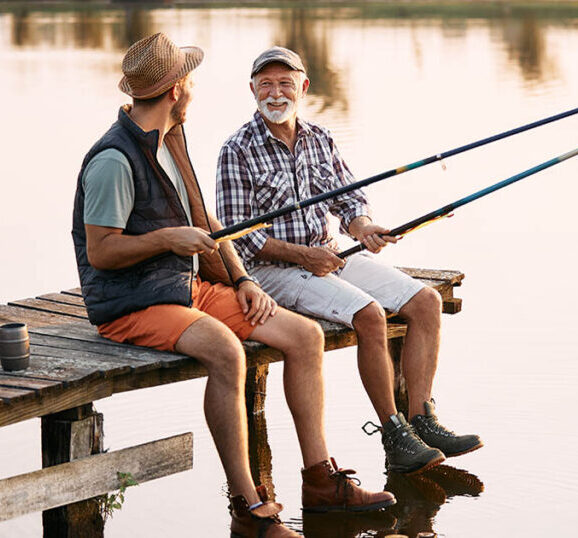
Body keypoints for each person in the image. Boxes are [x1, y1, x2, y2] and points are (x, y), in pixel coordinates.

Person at [71, 34, 394, 538]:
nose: (195, 88)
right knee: (228, 352)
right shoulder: (114, 159)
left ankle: (320, 482)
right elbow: (101, 251)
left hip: (182, 289)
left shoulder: (169, 141)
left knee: (304, 337)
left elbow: (208, 223)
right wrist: (167, 238)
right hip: (130, 303)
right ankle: (249, 509)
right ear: (176, 89)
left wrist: (242, 279)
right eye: (191, 79)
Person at [216, 46, 483, 477]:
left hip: (329, 255)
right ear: (252, 90)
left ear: (303, 87)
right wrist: (305, 256)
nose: (276, 93)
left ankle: (422, 420)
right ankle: (393, 434)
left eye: (285, 83)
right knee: (370, 315)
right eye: (266, 84)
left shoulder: (319, 138)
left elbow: (349, 197)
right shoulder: (236, 149)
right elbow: (237, 237)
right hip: (272, 271)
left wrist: (362, 228)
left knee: (426, 303)